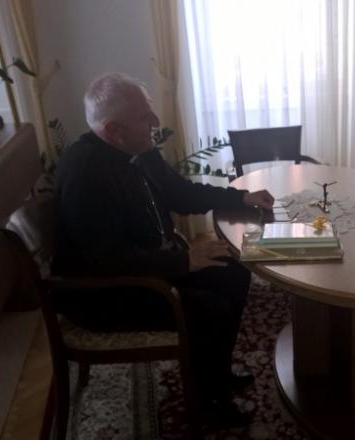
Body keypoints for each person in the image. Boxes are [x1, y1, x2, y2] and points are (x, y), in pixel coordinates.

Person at [53, 72, 274, 427]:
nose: (155, 121)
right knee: (210, 308)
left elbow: (180, 193)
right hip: (105, 293)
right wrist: (183, 261)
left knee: (234, 274)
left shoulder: (136, 149)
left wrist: (241, 197)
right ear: (113, 130)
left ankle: (214, 374)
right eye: (145, 116)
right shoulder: (85, 174)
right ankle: (206, 403)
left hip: (149, 266)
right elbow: (107, 260)